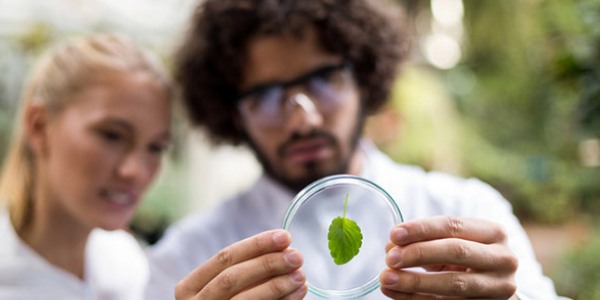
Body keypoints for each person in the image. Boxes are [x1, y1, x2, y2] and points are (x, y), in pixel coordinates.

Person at [148, 0, 562, 299]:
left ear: (364, 78)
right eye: (268, 97)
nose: (303, 120)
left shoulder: (467, 208)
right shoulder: (186, 257)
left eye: (324, 80)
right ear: (231, 112)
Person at [0, 33, 172, 299]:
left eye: (156, 147)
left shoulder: (127, 263)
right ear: (40, 127)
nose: (135, 171)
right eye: (112, 135)